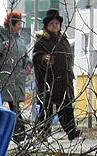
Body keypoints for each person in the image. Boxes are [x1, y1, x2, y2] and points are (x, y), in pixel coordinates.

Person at [0, 11, 31, 142]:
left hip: (16, 80)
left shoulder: (20, 40)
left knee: (15, 108)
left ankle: (19, 136)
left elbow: (25, 56)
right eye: (19, 23)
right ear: (11, 24)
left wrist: (28, 65)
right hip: (0, 80)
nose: (20, 26)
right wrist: (1, 46)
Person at [31, 9, 81, 141]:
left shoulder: (63, 40)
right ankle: (42, 133)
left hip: (64, 80)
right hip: (48, 81)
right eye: (52, 23)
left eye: (57, 23)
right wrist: (44, 59)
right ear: (47, 25)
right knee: (46, 108)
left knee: (66, 107)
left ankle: (71, 131)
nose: (55, 25)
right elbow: (36, 57)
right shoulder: (41, 41)